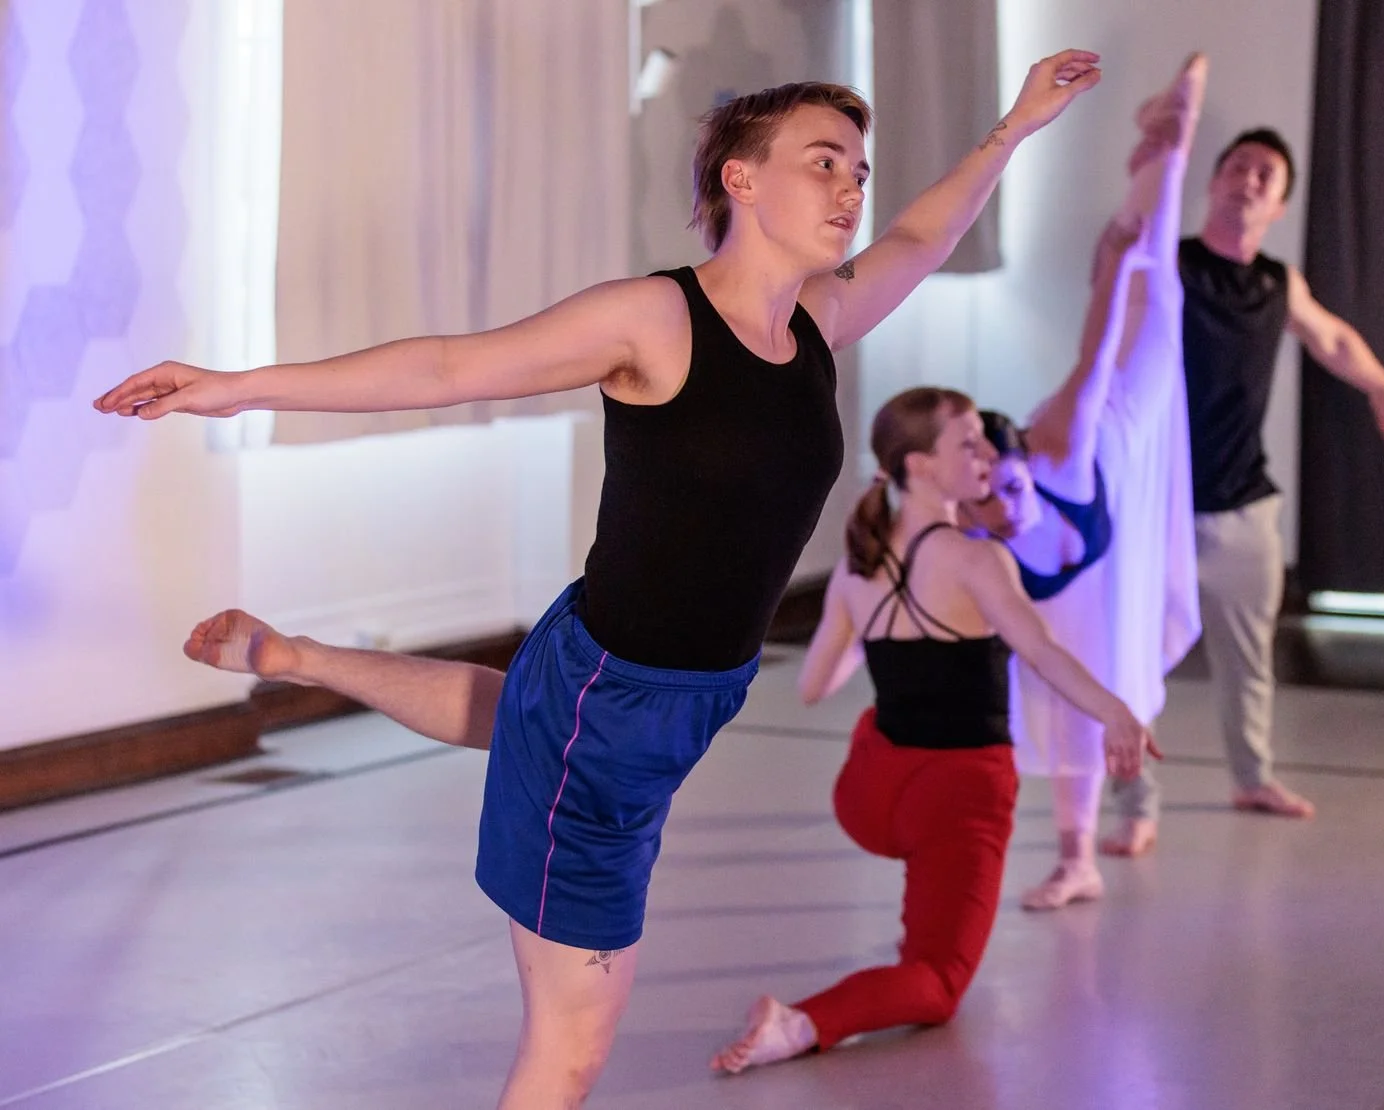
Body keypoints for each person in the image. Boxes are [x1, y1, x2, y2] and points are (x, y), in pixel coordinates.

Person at [96, 54, 1104, 1109]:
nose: (853, 188)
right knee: (572, 1049)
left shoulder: (816, 322)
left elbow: (921, 236)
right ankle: (295, 657)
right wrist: (236, 389)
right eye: (823, 163)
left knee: (528, 715)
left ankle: (293, 657)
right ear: (740, 180)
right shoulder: (653, 322)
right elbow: (448, 366)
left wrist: (1014, 127)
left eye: (859, 167)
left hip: (663, 692)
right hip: (613, 689)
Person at [710, 386, 1156, 1076]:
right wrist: (1116, 712)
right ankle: (798, 1022)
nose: (985, 454)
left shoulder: (859, 566)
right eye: (967, 443)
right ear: (919, 466)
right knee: (938, 983)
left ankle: (816, 1007)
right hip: (957, 792)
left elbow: (811, 687)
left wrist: (875, 623)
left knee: (885, 738)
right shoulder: (978, 559)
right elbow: (1041, 652)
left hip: (869, 794)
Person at [961, 55, 1207, 908]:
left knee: (1152, 292)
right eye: (995, 495)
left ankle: (1170, 143)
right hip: (1088, 572)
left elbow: (1094, 354)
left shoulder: (1058, 441)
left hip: (1122, 423)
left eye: (1010, 483)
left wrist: (1109, 264)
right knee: (1069, 702)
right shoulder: (971, 518)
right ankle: (1078, 859)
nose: (1007, 499)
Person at [1163, 117, 1384, 822]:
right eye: (1237, 166)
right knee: (1135, 664)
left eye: (1264, 176)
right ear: (1212, 182)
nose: (1248, 179)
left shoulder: (1278, 282)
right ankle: (1130, 804)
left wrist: (1381, 385)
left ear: (1278, 206)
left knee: (1250, 664)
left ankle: (1252, 779)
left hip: (1245, 507)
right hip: (1163, 505)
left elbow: (1331, 336)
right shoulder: (1170, 262)